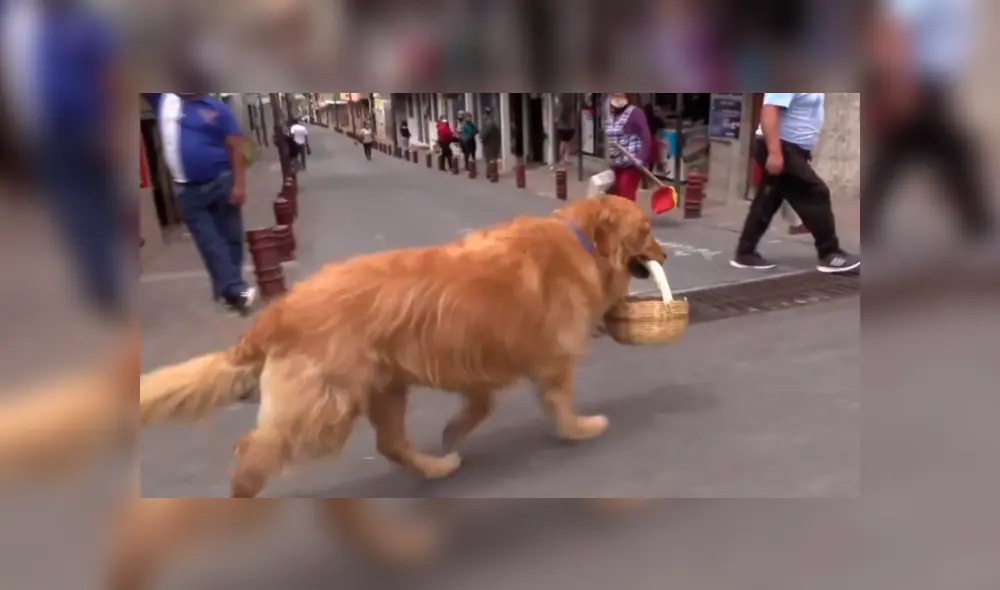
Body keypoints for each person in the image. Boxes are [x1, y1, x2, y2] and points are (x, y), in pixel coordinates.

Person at [3, 0, 130, 320]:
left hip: (88, 128)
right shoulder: (12, 17)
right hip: (43, 134)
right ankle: (101, 282)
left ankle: (109, 277)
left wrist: (112, 128)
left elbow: (109, 72)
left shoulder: (82, 21)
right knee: (74, 209)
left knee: (101, 205)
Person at [862, 0, 994, 247]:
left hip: (929, 87)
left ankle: (977, 223)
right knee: (949, 152)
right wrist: (898, 86)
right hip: (916, 85)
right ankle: (978, 223)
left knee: (904, 155)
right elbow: (893, 31)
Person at [143, 92, 257, 313]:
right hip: (187, 191)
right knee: (210, 242)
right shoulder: (163, 100)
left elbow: (235, 146)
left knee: (232, 238)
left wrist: (239, 185)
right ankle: (235, 289)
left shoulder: (218, 109)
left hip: (222, 182)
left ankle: (228, 290)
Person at [731, 93, 860, 273]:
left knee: (768, 199)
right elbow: (769, 111)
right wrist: (775, 153)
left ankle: (745, 252)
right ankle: (830, 254)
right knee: (816, 192)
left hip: (791, 149)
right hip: (781, 147)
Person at [603, 93, 651, 202]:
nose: (618, 98)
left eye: (621, 95)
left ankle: (629, 213)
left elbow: (646, 136)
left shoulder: (636, 113)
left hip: (632, 163)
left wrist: (641, 157)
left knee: (626, 197)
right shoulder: (611, 115)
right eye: (615, 95)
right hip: (616, 163)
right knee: (617, 197)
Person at [554, 93, 576, 169]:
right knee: (567, 143)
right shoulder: (569, 105)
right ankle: (565, 159)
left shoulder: (558, 103)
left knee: (563, 142)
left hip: (561, 126)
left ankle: (563, 159)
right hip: (568, 126)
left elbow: (557, 116)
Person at [480, 107, 501, 177]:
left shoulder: (489, 122)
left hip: (490, 144)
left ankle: (490, 173)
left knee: (490, 158)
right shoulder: (489, 122)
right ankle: (491, 173)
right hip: (492, 143)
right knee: (491, 158)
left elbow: (483, 134)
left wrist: (482, 138)